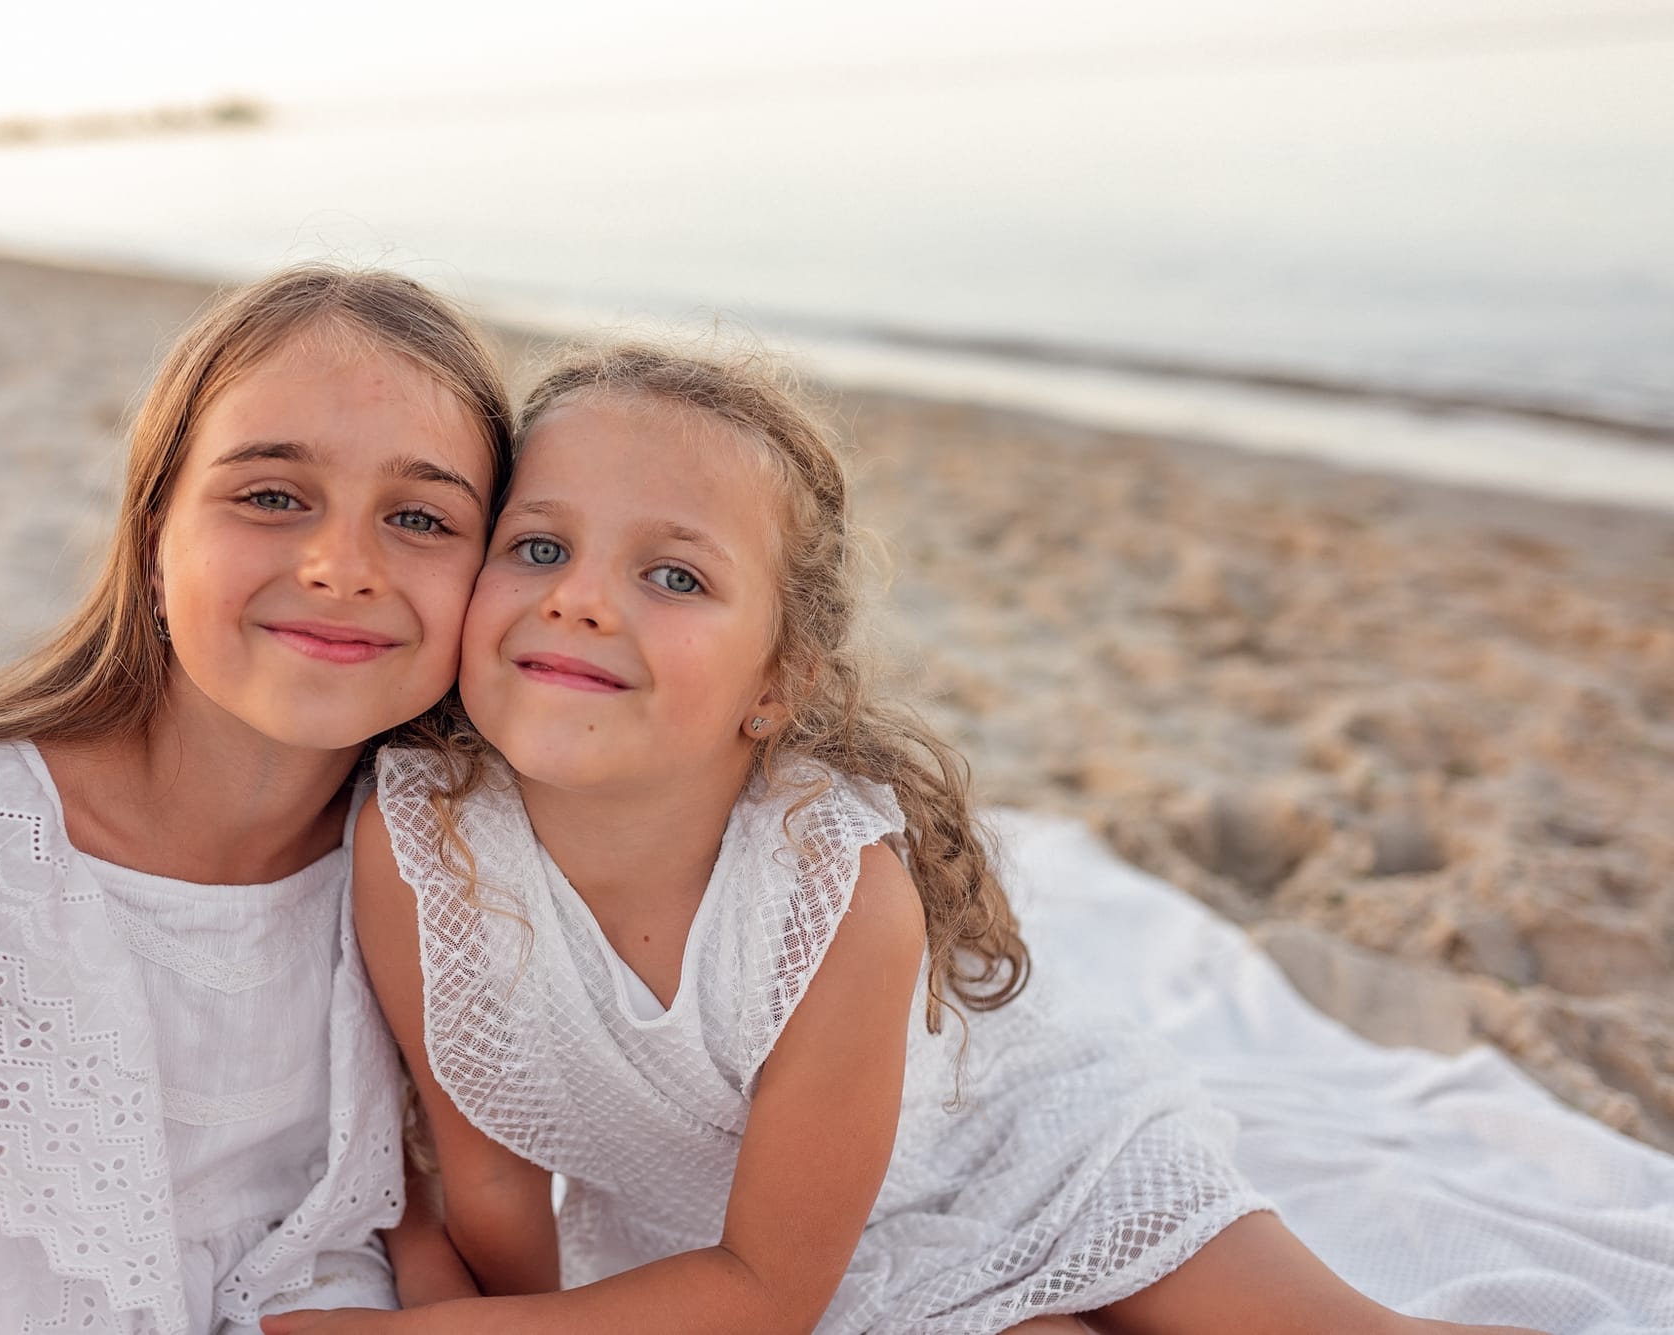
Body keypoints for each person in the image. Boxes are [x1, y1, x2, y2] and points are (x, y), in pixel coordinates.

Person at [274, 343, 1544, 1333]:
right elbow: (491, 1181)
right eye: (539, 544)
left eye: (675, 576)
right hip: (722, 1249)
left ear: (776, 683)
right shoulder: (422, 844)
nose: (581, 596)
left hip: (1008, 1147)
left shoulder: (833, 889)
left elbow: (766, 1294)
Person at [0, 265, 514, 1334]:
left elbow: (387, 1221)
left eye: (422, 518)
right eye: (270, 496)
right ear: (156, 529)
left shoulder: (424, 860)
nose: (342, 564)